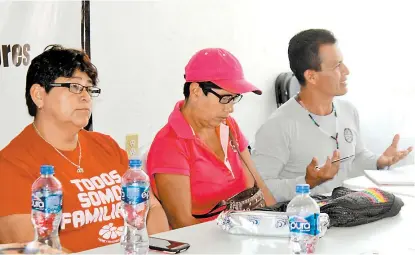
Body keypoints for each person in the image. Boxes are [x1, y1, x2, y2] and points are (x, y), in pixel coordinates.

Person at [0, 45, 169, 252]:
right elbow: (34, 248)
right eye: (74, 87)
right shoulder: (11, 163)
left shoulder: (106, 145)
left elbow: (151, 207)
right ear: (38, 95)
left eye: (89, 89)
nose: (85, 97)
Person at [252, 29, 413, 202]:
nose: (346, 71)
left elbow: (356, 157)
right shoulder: (278, 126)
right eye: (337, 66)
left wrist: (380, 162)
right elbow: (260, 189)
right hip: (304, 219)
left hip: (343, 209)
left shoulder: (348, 110)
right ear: (311, 76)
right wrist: (308, 182)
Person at [146, 48, 276, 229]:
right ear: (196, 90)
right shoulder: (169, 144)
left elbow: (260, 187)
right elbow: (181, 223)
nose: (230, 108)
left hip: (249, 233)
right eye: (225, 99)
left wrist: (278, 225)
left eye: (235, 98)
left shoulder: (229, 125)